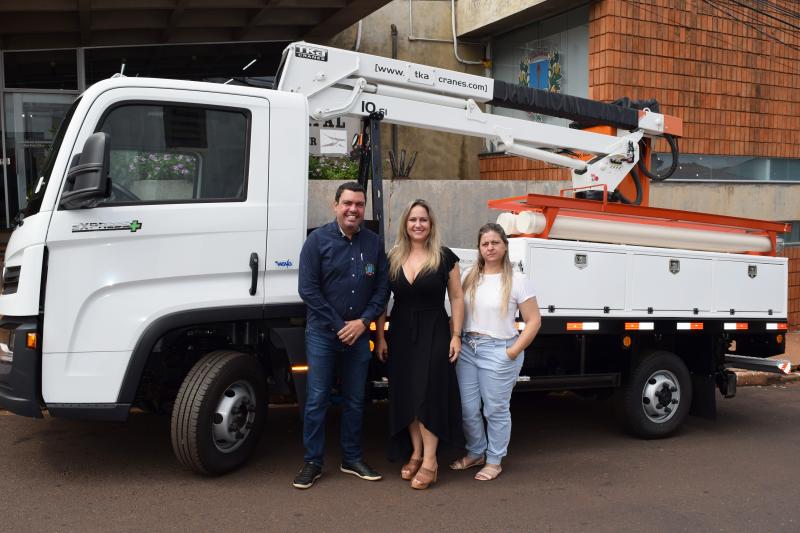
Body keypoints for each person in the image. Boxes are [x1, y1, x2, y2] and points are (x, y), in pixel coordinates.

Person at [293, 181, 390, 490]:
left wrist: (362, 323)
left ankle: (351, 458)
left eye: (359, 204)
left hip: (359, 335)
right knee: (317, 398)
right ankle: (313, 462)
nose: (353, 209)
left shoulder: (374, 244)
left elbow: (381, 289)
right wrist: (340, 325)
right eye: (347, 203)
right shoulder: (316, 241)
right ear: (335, 205)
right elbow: (307, 290)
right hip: (323, 334)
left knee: (355, 399)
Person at [375, 199, 464, 490]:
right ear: (405, 224)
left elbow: (457, 298)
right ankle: (415, 451)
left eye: (423, 220)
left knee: (428, 393)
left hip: (435, 330)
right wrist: (380, 336)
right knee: (407, 394)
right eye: (413, 219)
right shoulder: (393, 257)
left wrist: (456, 335)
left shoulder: (445, 256)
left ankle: (430, 461)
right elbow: (381, 301)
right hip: (401, 331)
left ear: (431, 224)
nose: (418, 224)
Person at [450, 223, 541, 481]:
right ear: (479, 248)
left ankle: (494, 459)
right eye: (485, 244)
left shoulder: (517, 280)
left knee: (495, 410)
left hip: (498, 350)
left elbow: (533, 321)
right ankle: (476, 452)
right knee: (468, 409)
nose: (490, 248)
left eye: (495, 243)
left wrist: (511, 352)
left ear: (504, 246)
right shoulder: (469, 276)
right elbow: (457, 310)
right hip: (468, 348)